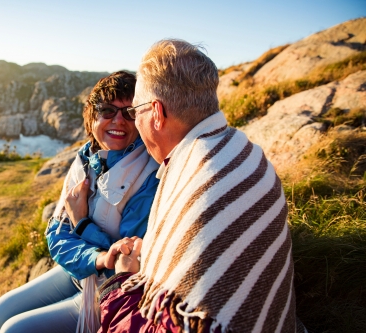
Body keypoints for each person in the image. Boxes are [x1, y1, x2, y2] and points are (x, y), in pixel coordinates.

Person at [76, 39, 306, 332]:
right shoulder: (245, 150)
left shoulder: (190, 179)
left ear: (156, 114)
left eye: (135, 112)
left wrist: (120, 282)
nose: (131, 122)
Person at [0, 71, 160, 333]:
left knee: (14, 330)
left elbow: (127, 257)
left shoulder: (148, 174)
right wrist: (97, 256)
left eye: (129, 113)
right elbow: (56, 234)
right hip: (80, 271)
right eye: (107, 110)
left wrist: (81, 224)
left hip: (108, 288)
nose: (118, 121)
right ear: (92, 116)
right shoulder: (84, 160)